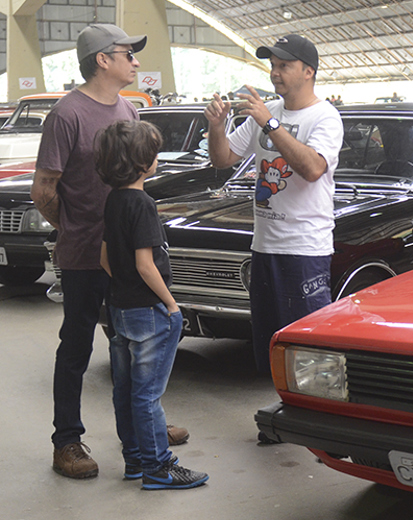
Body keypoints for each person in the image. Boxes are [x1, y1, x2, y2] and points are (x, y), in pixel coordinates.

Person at [30, 23, 187, 480]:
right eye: (127, 54)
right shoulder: (66, 115)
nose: (135, 62)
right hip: (85, 256)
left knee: (133, 346)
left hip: (125, 257)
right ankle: (67, 441)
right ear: (103, 59)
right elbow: (44, 188)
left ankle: (145, 426)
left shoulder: (128, 109)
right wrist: (73, 228)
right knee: (77, 346)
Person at [204, 34, 343, 382]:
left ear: (308, 71)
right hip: (265, 247)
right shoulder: (266, 113)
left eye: (284, 66)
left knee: (308, 349)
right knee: (270, 347)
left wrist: (270, 123)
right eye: (273, 65)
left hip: (304, 249)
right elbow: (223, 158)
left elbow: (312, 168)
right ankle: (278, 405)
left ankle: (313, 409)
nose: (275, 73)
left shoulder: (324, 117)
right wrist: (216, 127)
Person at [96, 120, 209, 490]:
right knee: (148, 395)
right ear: (142, 163)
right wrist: (171, 305)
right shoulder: (143, 204)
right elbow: (146, 264)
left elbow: (105, 259)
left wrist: (124, 288)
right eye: (154, 153)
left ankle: (135, 460)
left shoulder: (113, 201)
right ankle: (159, 467)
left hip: (119, 308)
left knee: (125, 390)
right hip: (148, 312)